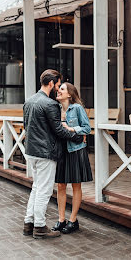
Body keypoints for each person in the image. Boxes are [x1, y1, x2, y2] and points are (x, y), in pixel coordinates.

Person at [23, 69, 84, 239]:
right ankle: (40, 227)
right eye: (57, 84)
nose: (57, 88)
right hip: (45, 153)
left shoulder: (29, 101)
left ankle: (29, 223)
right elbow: (58, 130)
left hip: (31, 152)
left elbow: (26, 125)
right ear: (51, 83)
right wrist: (76, 136)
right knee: (44, 190)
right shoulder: (51, 104)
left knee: (36, 188)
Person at [52, 82, 92, 234]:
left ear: (69, 94)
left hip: (76, 150)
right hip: (62, 151)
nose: (58, 91)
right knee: (61, 185)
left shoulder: (77, 108)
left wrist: (72, 128)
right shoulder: (55, 109)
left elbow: (87, 128)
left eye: (62, 89)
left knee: (76, 185)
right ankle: (61, 219)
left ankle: (73, 220)